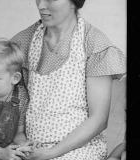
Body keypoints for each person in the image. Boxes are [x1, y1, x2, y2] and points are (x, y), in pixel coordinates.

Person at [9, 0, 127, 159]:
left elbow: (99, 119)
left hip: (77, 149)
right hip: (32, 146)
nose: (41, 5)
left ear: (74, 2)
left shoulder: (94, 44)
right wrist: (22, 140)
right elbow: (14, 100)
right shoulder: (25, 40)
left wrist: (50, 153)